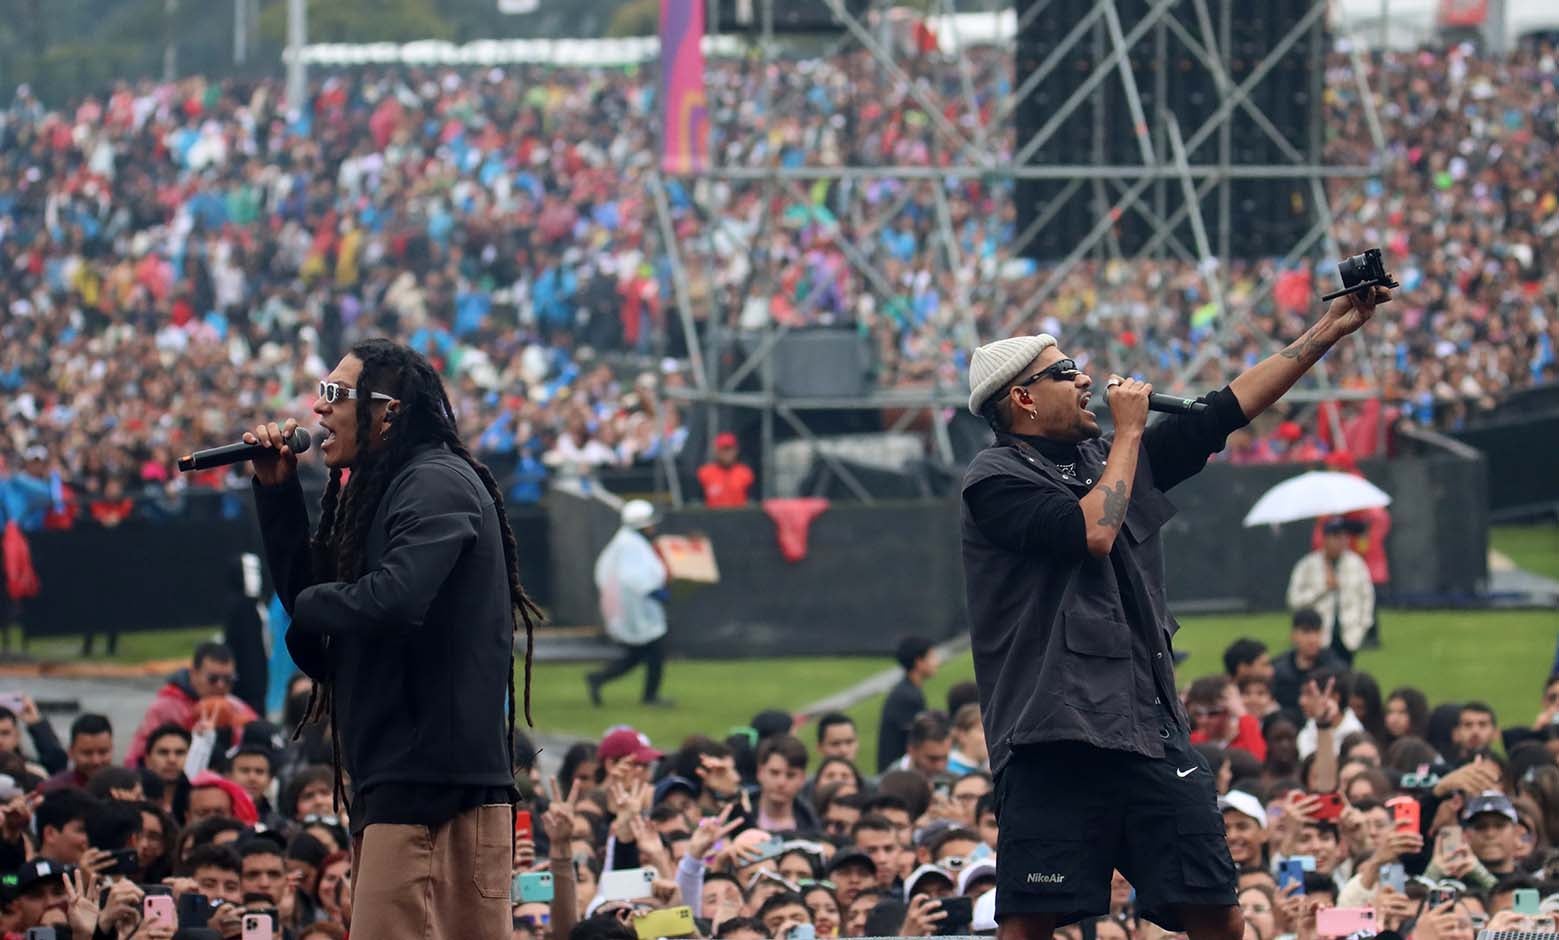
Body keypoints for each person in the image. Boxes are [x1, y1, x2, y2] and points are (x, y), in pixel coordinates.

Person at [957, 283, 1390, 940]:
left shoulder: (1106, 457)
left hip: (1142, 726)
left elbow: (1224, 409)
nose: (1085, 381)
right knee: (1031, 920)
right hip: (1051, 734)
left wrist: (1327, 331)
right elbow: (1092, 533)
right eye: (1064, 373)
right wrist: (1129, 432)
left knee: (1217, 907)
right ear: (1021, 397)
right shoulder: (995, 480)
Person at [247, 338, 543, 940]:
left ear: (388, 410)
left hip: (436, 794)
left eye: (335, 394)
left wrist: (310, 606)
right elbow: (324, 628)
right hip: (402, 784)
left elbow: (395, 598)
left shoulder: (435, 482)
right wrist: (278, 497)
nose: (319, 409)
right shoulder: (377, 491)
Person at [588, 499, 674, 708]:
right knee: (654, 653)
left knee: (637, 655)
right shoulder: (630, 544)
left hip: (639, 608)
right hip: (637, 610)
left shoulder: (630, 541)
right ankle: (650, 697)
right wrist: (653, 591)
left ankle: (599, 678)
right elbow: (631, 577)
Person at [125, 641, 258, 767]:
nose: (220, 685)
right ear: (194, 674)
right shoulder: (164, 708)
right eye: (213, 679)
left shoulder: (236, 705)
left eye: (228, 679)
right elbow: (135, 759)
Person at [1285, 517, 1375, 665]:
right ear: (1325, 538)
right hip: (1318, 639)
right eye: (1336, 537)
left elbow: (1367, 598)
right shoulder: (1307, 565)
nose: (1342, 541)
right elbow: (1293, 601)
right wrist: (1323, 589)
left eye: (1345, 537)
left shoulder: (1356, 564)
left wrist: (1362, 627)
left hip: (1349, 637)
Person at [877, 636, 938, 773]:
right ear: (919, 661)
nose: (937, 662)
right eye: (932, 657)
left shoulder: (907, 691)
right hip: (897, 774)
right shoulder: (908, 697)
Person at [1269, 610, 1346, 713]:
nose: (1312, 639)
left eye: (1316, 632)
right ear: (1293, 635)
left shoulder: (1336, 670)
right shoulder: (1277, 669)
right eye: (1306, 632)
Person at [39, 714, 114, 792]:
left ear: (112, 749)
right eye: (87, 753)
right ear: (71, 752)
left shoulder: (125, 788)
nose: (96, 761)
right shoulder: (53, 791)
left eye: (103, 752)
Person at [697, 433, 756, 508]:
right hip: (712, 517)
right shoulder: (704, 473)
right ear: (716, 451)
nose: (727, 453)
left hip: (739, 516)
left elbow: (752, 502)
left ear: (736, 451)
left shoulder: (745, 473)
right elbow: (698, 502)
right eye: (723, 449)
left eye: (729, 449)